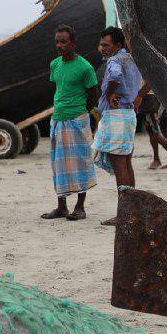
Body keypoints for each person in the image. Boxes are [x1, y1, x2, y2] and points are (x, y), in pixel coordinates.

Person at [41, 25, 99, 222]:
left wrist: (80, 111)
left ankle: (80, 207)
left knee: (81, 162)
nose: (59, 45)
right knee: (59, 165)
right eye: (57, 41)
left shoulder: (85, 67)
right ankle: (61, 207)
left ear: (73, 43)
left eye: (64, 41)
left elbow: (93, 95)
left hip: (77, 120)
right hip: (58, 120)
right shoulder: (55, 64)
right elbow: (59, 88)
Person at [92, 26, 141, 225]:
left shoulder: (115, 61)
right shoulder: (131, 59)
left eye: (106, 45)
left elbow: (113, 76)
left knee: (119, 164)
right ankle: (133, 209)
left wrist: (111, 93)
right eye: (101, 44)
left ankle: (124, 213)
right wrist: (138, 96)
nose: (102, 48)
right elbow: (148, 81)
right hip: (128, 114)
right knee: (126, 163)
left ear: (117, 45)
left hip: (116, 115)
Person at [136, 84, 167, 173]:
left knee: (155, 131)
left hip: (151, 98)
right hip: (155, 97)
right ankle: (164, 160)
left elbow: (149, 83)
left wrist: (138, 95)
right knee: (154, 131)